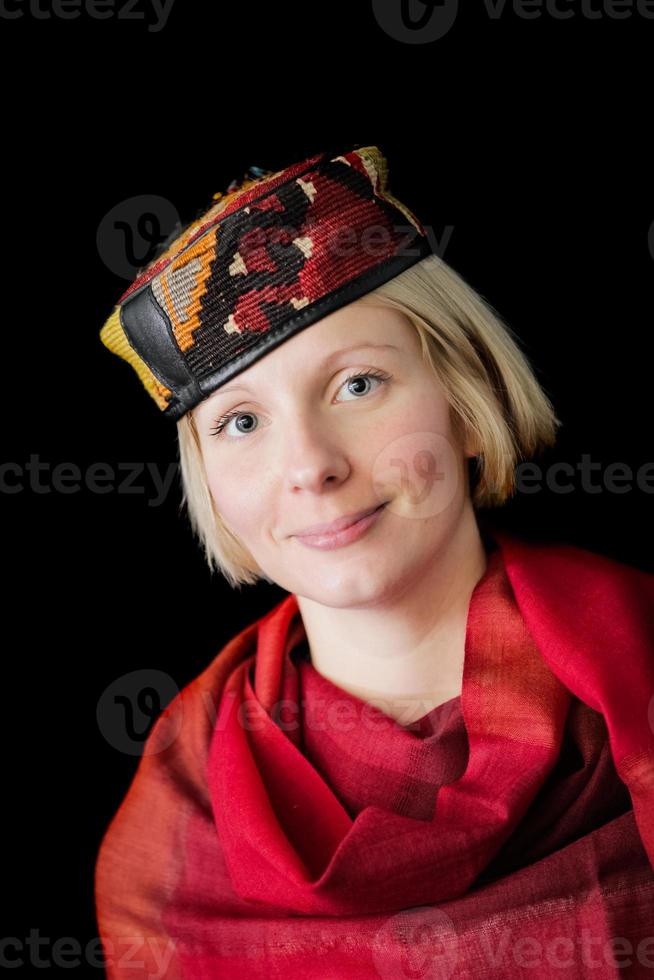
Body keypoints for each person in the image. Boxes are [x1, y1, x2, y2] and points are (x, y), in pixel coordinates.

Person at [95, 145, 654, 979]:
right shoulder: (178, 818)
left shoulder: (642, 655)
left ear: (468, 401)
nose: (311, 464)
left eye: (357, 385)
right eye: (241, 423)